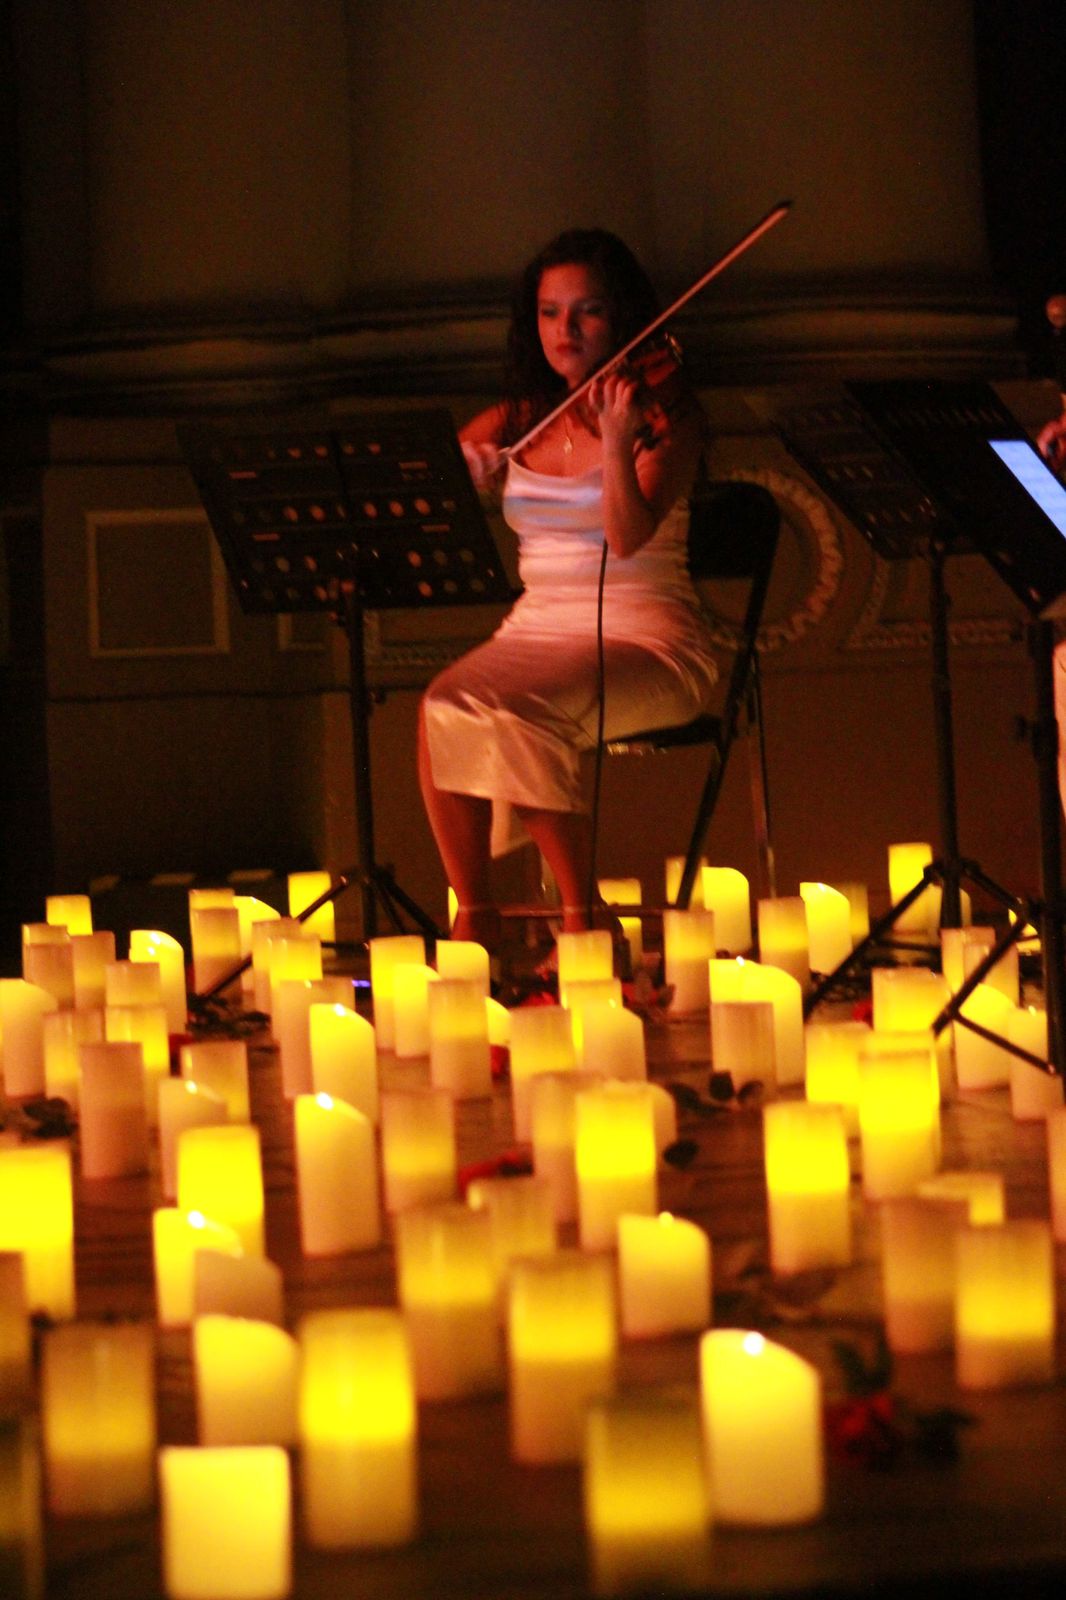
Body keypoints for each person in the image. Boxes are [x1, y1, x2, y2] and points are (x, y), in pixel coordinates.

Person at [418, 228, 720, 952]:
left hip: (648, 639)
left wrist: (616, 442)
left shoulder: (666, 423)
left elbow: (625, 537)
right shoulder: (523, 417)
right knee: (439, 706)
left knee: (516, 711)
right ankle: (476, 915)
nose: (566, 331)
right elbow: (428, 482)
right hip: (536, 630)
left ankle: (585, 921)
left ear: (621, 318)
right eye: (551, 313)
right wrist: (467, 473)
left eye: (586, 312)